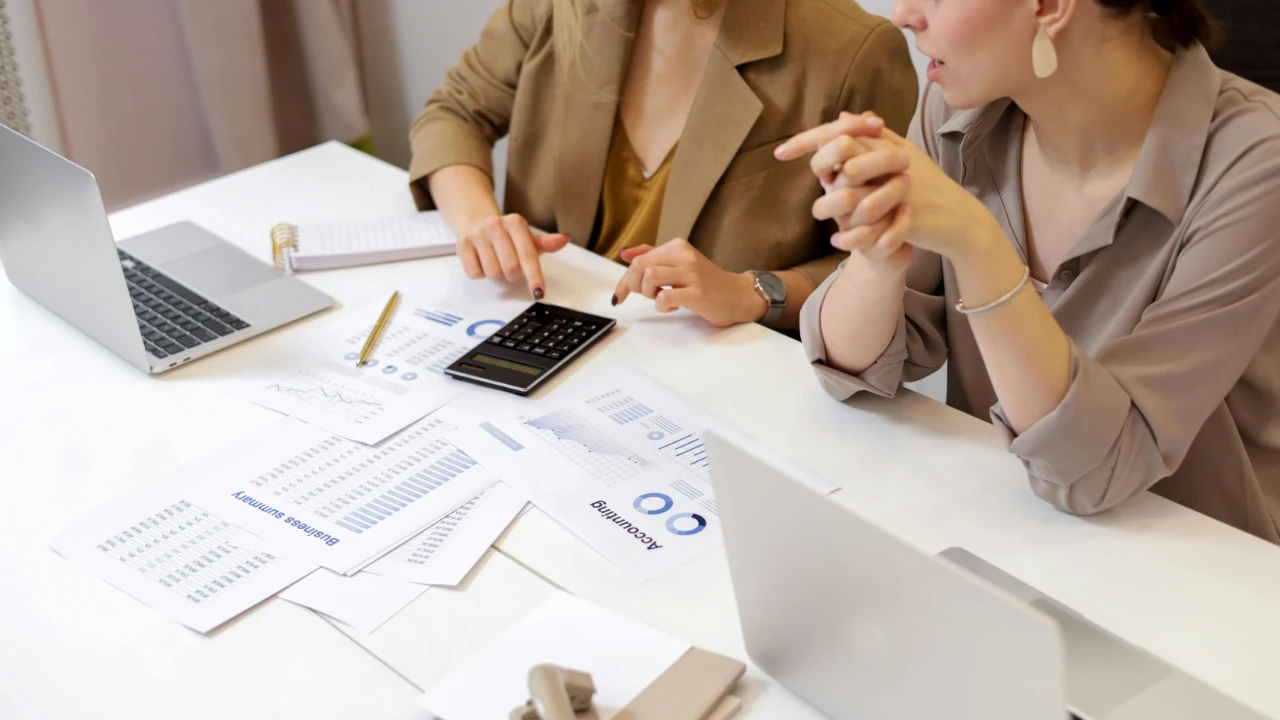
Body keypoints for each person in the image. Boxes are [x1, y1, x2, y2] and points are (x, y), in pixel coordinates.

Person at [776, 0, 1280, 541]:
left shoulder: (1256, 165)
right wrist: (876, 257)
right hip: (1009, 536)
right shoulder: (957, 112)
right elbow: (850, 370)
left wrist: (977, 243)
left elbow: (1097, 472)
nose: (903, 14)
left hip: (1205, 576)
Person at [408, 0, 917, 329]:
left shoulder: (852, 50)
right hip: (538, 332)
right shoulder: (558, 8)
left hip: (719, 385)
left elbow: (893, 262)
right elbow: (454, 113)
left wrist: (753, 291)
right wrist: (480, 223)